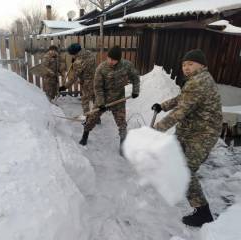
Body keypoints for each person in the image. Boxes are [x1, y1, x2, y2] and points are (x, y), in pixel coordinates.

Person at [152, 49, 222, 227]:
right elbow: (182, 99)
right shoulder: (196, 80)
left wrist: (157, 129)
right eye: (184, 64)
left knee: (186, 169)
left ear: (202, 65)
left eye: (191, 64)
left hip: (201, 134)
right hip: (189, 131)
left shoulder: (199, 82)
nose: (186, 68)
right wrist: (162, 106)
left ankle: (202, 212)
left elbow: (181, 112)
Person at [79, 45, 140, 154]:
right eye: (109, 58)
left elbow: (135, 77)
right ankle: (85, 136)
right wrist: (101, 102)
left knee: (122, 123)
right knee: (91, 119)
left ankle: (123, 146)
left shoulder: (127, 66)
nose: (111, 61)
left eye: (114, 60)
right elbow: (97, 87)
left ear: (119, 59)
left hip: (119, 99)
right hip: (103, 99)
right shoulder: (101, 68)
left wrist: (135, 90)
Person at [59, 43, 96, 117]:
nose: (71, 56)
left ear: (74, 53)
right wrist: (76, 58)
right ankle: (97, 118)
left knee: (85, 101)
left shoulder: (78, 62)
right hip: (95, 80)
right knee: (95, 99)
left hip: (87, 83)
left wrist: (65, 87)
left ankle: (88, 119)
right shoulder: (90, 53)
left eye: (72, 54)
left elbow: (74, 78)